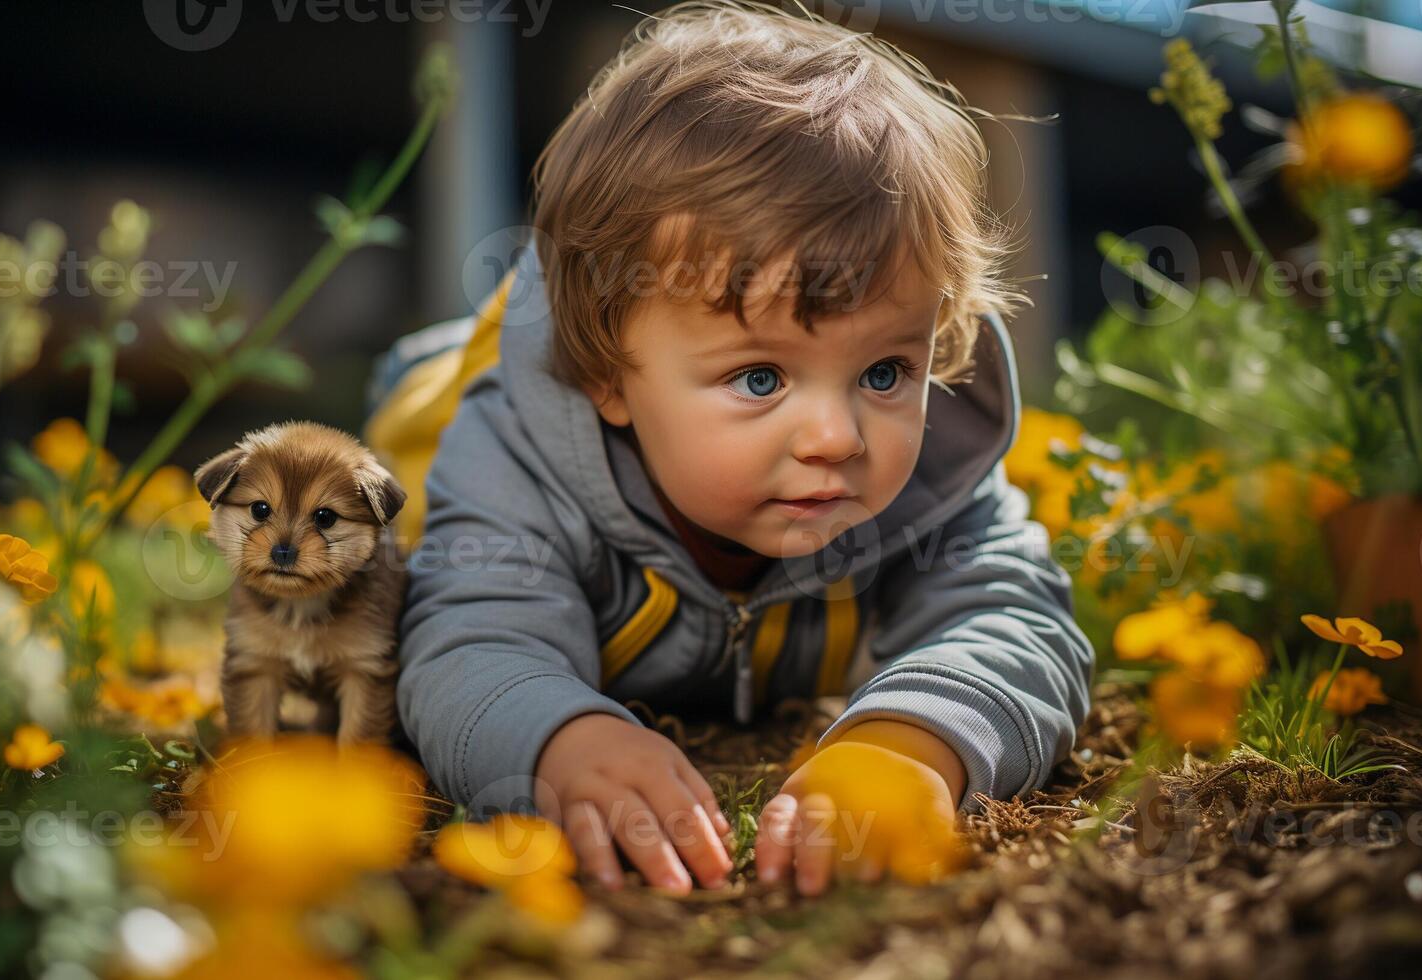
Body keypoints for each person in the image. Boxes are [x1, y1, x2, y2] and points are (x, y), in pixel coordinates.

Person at [371, 0, 1092, 897]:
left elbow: (1015, 618)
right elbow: (468, 638)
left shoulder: (937, 472)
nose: (836, 438)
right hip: (455, 420)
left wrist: (910, 742)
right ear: (609, 374)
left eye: (881, 372)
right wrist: (559, 738)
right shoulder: (516, 459)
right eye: (759, 379)